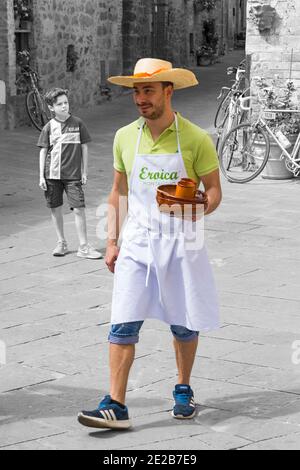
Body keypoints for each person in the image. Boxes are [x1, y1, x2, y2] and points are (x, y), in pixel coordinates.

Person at [78, 58, 222, 430]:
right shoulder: (126, 136)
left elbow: (215, 191)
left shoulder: (194, 138)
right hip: (138, 243)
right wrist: (112, 241)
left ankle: (183, 387)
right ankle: (116, 405)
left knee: (183, 324)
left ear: (167, 91)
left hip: (181, 244)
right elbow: (118, 192)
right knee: (121, 325)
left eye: (148, 90)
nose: (140, 99)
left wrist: (197, 209)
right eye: (136, 91)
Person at [37, 88, 102, 259]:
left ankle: (83, 246)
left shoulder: (78, 123)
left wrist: (84, 171)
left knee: (79, 208)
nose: (64, 106)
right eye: (60, 104)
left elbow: (85, 147)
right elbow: (43, 151)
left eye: (66, 102)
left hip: (73, 176)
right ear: (51, 107)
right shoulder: (49, 127)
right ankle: (61, 242)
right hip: (52, 175)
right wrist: (41, 176)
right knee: (55, 208)